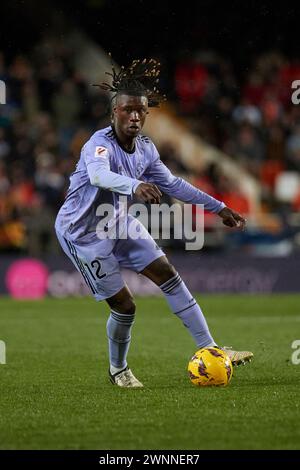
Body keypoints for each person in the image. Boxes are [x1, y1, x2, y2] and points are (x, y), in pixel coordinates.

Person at [55, 58, 253, 388]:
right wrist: (135, 186)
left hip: (116, 222)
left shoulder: (146, 150)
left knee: (168, 273)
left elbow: (174, 184)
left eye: (140, 111)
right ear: (113, 112)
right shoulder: (98, 144)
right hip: (82, 233)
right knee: (125, 306)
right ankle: (118, 369)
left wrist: (219, 207)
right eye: (127, 110)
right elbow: (98, 176)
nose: (134, 116)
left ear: (147, 114)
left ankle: (212, 349)